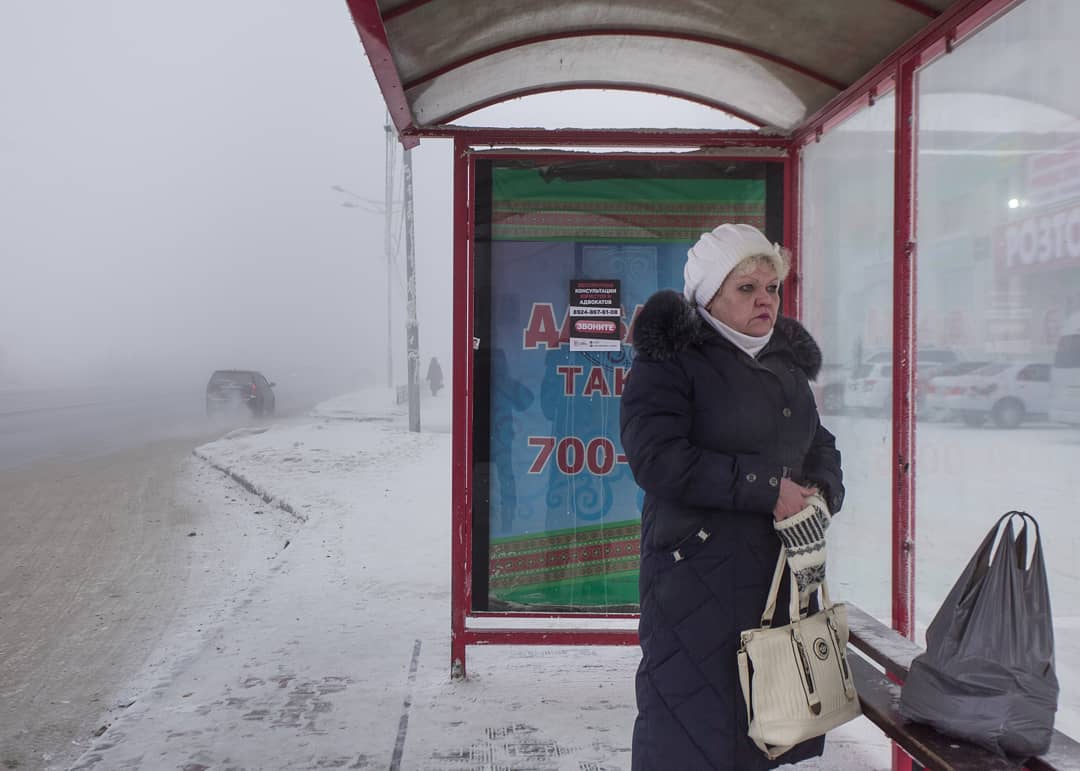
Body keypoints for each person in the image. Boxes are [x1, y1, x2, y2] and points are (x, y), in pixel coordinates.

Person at [620, 223, 845, 770]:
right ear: (708, 295)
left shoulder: (783, 362)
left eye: (771, 288)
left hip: (774, 577)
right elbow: (656, 458)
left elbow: (818, 443)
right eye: (746, 288)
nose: (765, 300)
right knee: (689, 727)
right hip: (695, 577)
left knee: (762, 722)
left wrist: (821, 491)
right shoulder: (671, 359)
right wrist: (767, 488)